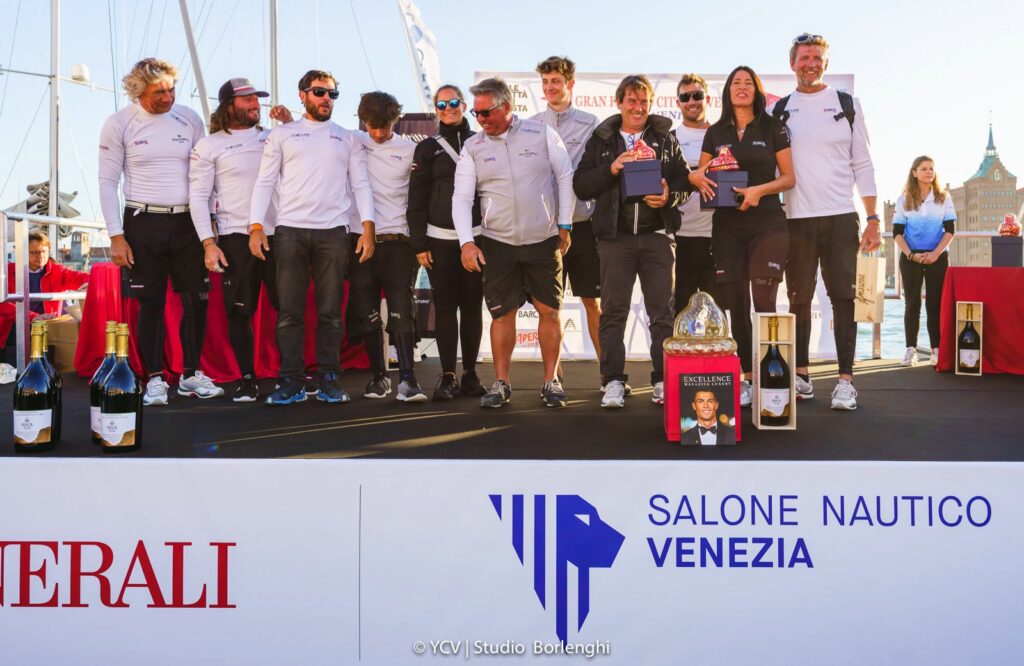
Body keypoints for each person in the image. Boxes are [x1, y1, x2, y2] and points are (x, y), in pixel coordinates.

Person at [98, 57, 223, 406]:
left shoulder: (189, 118)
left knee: (196, 300)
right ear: (138, 91)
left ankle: (191, 374)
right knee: (150, 303)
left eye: (171, 90)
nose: (168, 98)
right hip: (142, 221)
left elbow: (206, 176)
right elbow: (107, 182)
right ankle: (154, 378)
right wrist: (116, 236)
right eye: (159, 93)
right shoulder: (118, 123)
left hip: (187, 222)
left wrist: (211, 221)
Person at [249, 69, 375, 405]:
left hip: (334, 233)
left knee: (330, 312)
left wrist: (368, 228)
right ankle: (290, 381)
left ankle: (329, 378)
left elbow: (361, 184)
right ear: (302, 95)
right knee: (290, 311)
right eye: (320, 92)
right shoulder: (282, 135)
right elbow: (264, 182)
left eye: (332, 94)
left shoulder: (347, 137)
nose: (326, 99)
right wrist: (256, 227)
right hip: (289, 231)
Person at [770, 34, 880, 411]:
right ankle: (801, 375)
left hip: (840, 217)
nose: (810, 64)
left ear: (825, 64)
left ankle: (846, 381)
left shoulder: (848, 104)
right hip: (795, 219)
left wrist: (872, 218)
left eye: (817, 58)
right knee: (798, 299)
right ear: (793, 63)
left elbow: (863, 163)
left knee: (844, 299)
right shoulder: (780, 109)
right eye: (804, 58)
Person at [452, 77, 575, 409]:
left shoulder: (542, 133)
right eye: (476, 113)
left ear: (506, 106)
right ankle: (502, 383)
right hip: (498, 243)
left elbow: (565, 176)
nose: (481, 119)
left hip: (542, 240)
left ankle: (551, 381)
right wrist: (466, 243)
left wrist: (564, 224)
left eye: (486, 112)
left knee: (550, 311)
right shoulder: (473, 146)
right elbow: (461, 198)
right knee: (502, 314)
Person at [573, 74, 689, 409]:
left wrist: (668, 196)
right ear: (619, 103)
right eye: (632, 101)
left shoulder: (665, 138)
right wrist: (611, 169)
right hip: (615, 239)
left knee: (662, 314)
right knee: (613, 312)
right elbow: (581, 185)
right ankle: (612, 380)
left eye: (644, 101)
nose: (638, 108)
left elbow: (684, 182)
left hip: (657, 238)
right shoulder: (602, 139)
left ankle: (663, 380)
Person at [689, 66, 794, 407]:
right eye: (736, 82)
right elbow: (700, 174)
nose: (742, 87)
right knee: (736, 305)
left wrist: (758, 191)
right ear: (728, 91)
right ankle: (747, 378)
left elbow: (789, 178)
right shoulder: (715, 131)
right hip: (727, 227)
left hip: (767, 223)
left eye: (749, 82)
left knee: (764, 302)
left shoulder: (773, 127)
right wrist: (697, 176)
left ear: (757, 91)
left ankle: (772, 378)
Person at [189, 77, 290, 402]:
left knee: (288, 308)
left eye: (256, 98)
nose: (254, 103)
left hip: (280, 234)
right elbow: (198, 197)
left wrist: (289, 123)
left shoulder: (275, 136)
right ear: (228, 105)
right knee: (239, 312)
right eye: (246, 99)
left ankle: (291, 377)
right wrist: (208, 243)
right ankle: (248, 380)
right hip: (235, 237)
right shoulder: (210, 145)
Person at [407, 84, 486, 401]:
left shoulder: (481, 141)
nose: (448, 108)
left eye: (453, 102)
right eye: (441, 105)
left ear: (464, 105)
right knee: (444, 307)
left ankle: (470, 374)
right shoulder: (426, 148)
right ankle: (448, 375)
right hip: (438, 239)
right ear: (436, 110)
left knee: (472, 306)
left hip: (476, 238)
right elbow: (416, 197)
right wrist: (419, 243)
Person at [347, 90, 427, 402]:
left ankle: (408, 378)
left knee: (401, 309)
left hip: (398, 241)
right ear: (362, 121)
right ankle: (379, 377)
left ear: (396, 121)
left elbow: (419, 197)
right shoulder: (351, 141)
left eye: (385, 127)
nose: (378, 134)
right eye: (372, 126)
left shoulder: (410, 149)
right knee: (367, 310)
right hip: (359, 240)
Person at [530, 56, 602, 364]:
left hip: (583, 224)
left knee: (592, 302)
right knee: (549, 306)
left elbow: (598, 172)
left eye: (555, 81)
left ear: (570, 83)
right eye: (545, 82)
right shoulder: (531, 125)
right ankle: (554, 376)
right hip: (546, 228)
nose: (549, 87)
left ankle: (609, 373)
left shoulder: (590, 123)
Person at [892, 156, 955, 367]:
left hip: (937, 256)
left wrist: (936, 253)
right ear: (914, 173)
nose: (929, 172)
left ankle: (936, 349)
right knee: (912, 304)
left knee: (934, 303)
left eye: (931, 169)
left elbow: (950, 230)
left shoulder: (943, 198)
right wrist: (911, 255)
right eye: (924, 169)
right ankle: (911, 350)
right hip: (911, 257)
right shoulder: (903, 199)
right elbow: (897, 233)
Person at [1, 233, 89, 365]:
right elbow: (2, 304)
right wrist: (31, 317)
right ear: (22, 253)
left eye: (44, 251)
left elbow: (80, 277)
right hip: (13, 332)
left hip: (47, 331)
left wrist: (90, 282)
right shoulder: (7, 272)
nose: (40, 256)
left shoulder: (57, 271)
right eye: (34, 252)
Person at [673, 73, 717, 313]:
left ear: (707, 98)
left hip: (718, 238)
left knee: (719, 314)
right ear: (678, 103)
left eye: (697, 95)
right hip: (679, 239)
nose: (692, 101)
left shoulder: (724, 136)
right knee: (679, 314)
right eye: (685, 97)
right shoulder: (669, 140)